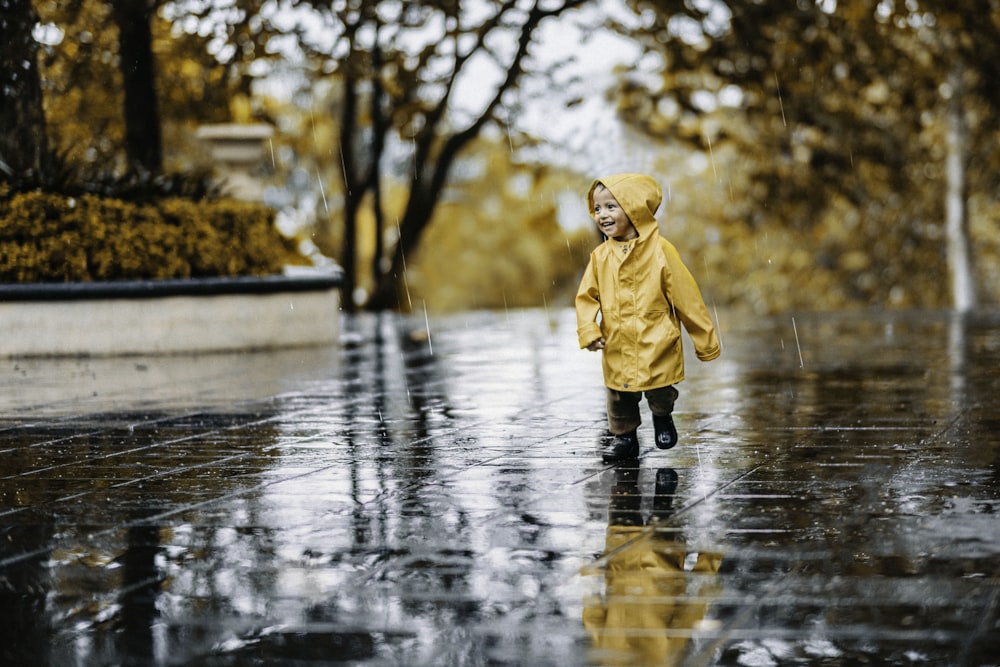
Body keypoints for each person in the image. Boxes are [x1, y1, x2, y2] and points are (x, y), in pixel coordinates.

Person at [575, 173, 721, 462]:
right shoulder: (600, 257)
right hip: (617, 341)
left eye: (611, 207)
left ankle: (663, 416)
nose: (602, 215)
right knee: (619, 395)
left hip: (657, 339)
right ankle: (624, 438)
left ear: (634, 208)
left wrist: (705, 341)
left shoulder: (661, 251)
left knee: (660, 388)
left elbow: (686, 297)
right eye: (597, 208)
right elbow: (585, 297)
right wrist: (589, 330)